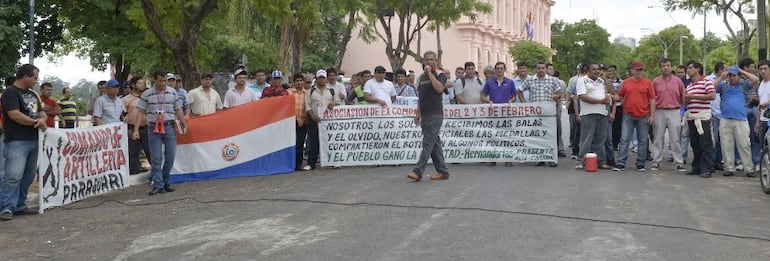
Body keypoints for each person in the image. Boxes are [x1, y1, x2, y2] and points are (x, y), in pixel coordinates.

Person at [0, 64, 46, 221]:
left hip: (33, 139)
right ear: (25, 76)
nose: (35, 81)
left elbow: (42, 113)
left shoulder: (33, 94)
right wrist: (36, 122)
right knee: (13, 175)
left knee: (28, 176)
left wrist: (42, 119)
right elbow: (15, 115)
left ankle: (20, 205)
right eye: (34, 78)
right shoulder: (10, 93)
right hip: (16, 141)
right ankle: (6, 207)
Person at [133, 70, 187, 195]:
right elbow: (140, 112)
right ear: (154, 80)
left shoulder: (172, 92)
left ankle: (166, 180)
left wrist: (184, 122)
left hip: (169, 126)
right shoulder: (147, 94)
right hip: (153, 128)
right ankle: (158, 184)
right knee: (156, 157)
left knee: (170, 156)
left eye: (165, 81)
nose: (163, 83)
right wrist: (136, 130)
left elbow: (178, 109)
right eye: (160, 80)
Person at [407, 51, 450, 181]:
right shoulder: (421, 77)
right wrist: (418, 113)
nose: (429, 62)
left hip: (435, 114)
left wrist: (430, 73)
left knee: (428, 142)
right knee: (434, 143)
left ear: (435, 61)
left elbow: (439, 89)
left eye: (431, 60)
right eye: (426, 60)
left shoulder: (440, 74)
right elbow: (422, 97)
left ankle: (418, 171)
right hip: (425, 114)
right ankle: (443, 171)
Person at [714, 66, 758, 177]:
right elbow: (711, 87)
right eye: (730, 75)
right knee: (726, 145)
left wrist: (742, 72)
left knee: (744, 144)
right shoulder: (723, 86)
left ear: (738, 76)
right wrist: (721, 77)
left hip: (740, 119)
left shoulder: (744, 85)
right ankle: (729, 168)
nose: (732, 78)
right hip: (725, 118)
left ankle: (749, 169)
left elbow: (755, 79)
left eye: (734, 75)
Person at [518, 61, 563, 167]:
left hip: (550, 113)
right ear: (535, 69)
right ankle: (539, 158)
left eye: (543, 68)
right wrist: (525, 104)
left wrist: (557, 96)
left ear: (546, 69)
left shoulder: (553, 80)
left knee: (551, 135)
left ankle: (551, 158)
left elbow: (560, 93)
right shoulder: (530, 80)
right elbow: (519, 91)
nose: (541, 70)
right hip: (536, 113)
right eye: (538, 68)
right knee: (538, 135)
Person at [613, 61, 656, 172]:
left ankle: (640, 163)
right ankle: (621, 163)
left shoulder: (647, 83)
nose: (639, 72)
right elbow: (619, 95)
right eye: (637, 70)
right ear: (632, 71)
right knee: (624, 139)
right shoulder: (626, 83)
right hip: (628, 115)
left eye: (641, 70)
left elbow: (652, 99)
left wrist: (652, 115)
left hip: (643, 115)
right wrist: (610, 97)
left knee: (642, 141)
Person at [650, 58, 687, 172]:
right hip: (659, 111)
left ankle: (678, 162)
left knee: (675, 138)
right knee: (658, 137)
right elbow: (651, 98)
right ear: (660, 68)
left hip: (674, 111)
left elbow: (683, 97)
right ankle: (656, 161)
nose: (666, 67)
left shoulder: (678, 81)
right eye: (663, 65)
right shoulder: (655, 81)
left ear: (671, 67)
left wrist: (679, 110)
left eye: (668, 65)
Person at [574, 63, 612, 170]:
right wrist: (600, 101)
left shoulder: (601, 81)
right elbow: (583, 97)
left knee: (601, 139)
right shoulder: (582, 80)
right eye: (593, 69)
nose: (596, 71)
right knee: (586, 139)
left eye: (598, 69)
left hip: (602, 113)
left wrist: (605, 79)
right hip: (588, 113)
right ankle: (580, 161)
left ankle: (601, 161)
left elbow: (611, 92)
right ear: (588, 71)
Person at [303, 69, 341, 171]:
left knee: (330, 140)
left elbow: (338, 102)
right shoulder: (310, 91)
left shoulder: (332, 91)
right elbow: (307, 106)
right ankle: (311, 163)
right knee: (313, 142)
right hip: (314, 119)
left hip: (329, 120)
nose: (321, 80)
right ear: (317, 79)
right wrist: (312, 116)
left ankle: (333, 161)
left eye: (323, 78)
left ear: (326, 79)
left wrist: (333, 104)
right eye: (320, 78)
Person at [481, 61, 517, 167]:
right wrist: (488, 101)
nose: (499, 70)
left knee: (507, 136)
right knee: (493, 136)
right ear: (495, 70)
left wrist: (511, 101)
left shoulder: (510, 82)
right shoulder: (489, 83)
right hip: (493, 113)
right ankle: (492, 159)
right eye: (497, 68)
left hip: (506, 113)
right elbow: (483, 95)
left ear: (504, 70)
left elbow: (514, 96)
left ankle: (508, 158)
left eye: (501, 68)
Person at [684, 62, 716, 178]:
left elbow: (712, 96)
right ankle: (696, 167)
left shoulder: (706, 82)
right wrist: (685, 99)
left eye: (690, 67)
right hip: (692, 117)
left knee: (705, 143)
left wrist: (694, 97)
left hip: (703, 118)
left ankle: (707, 168)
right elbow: (686, 101)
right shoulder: (689, 85)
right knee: (695, 143)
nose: (688, 70)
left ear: (698, 69)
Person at [123, 76, 151, 175]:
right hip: (132, 128)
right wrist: (127, 129)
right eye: (139, 83)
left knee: (150, 150)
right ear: (133, 85)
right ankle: (134, 171)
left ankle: (155, 171)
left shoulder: (146, 98)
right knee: (133, 152)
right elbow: (123, 115)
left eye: (143, 83)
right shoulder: (126, 99)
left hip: (146, 127)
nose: (142, 85)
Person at [707, 62, 728, 171]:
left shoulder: (727, 80)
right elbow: (711, 88)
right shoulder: (709, 78)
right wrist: (720, 78)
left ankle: (718, 161)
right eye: (725, 69)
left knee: (721, 139)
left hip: (723, 113)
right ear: (720, 70)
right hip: (713, 113)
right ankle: (710, 162)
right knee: (713, 139)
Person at [290, 73, 309, 170]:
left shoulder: (307, 93)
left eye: (301, 81)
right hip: (291, 122)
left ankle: (298, 164)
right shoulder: (289, 93)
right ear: (294, 82)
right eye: (297, 81)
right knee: (292, 143)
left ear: (303, 82)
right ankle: (291, 163)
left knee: (300, 143)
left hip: (303, 121)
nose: (299, 83)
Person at [756, 60, 770, 146]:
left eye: (765, 68)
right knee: (762, 146)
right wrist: (757, 122)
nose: (763, 71)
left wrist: (767, 103)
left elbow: (764, 103)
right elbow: (759, 104)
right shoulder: (760, 84)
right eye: (761, 69)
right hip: (762, 120)